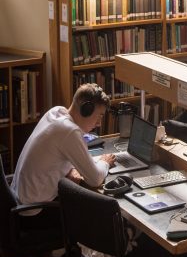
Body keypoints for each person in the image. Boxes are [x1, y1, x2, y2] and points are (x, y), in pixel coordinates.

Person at [11, 82, 116, 227]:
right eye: (99, 116)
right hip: (35, 214)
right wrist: (105, 162)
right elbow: (95, 179)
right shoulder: (69, 131)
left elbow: (56, 156)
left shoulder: (56, 112)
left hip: (18, 203)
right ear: (86, 110)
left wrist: (70, 168)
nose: (99, 123)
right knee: (98, 212)